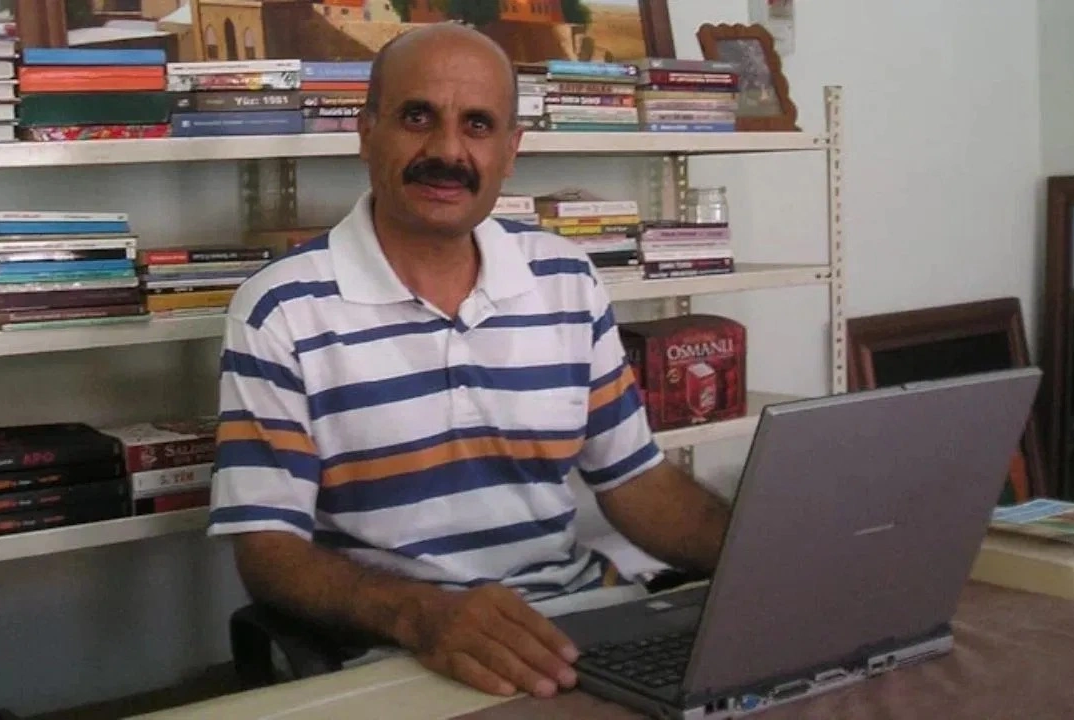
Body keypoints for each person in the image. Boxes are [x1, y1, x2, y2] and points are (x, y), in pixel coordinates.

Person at [211, 22, 731, 701]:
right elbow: (267, 550)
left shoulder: (566, 279)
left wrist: (770, 556)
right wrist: (420, 615)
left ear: (511, 150)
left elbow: (639, 484)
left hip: (580, 628)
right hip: (403, 651)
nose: (447, 150)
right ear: (366, 132)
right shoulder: (279, 309)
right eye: (417, 117)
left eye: (478, 125)